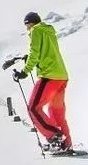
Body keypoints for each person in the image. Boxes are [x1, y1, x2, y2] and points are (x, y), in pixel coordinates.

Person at [11, 11, 74, 152]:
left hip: (49, 76)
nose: (27, 29)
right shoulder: (49, 31)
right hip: (61, 76)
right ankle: (66, 144)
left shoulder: (36, 30)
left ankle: (55, 137)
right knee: (56, 111)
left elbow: (35, 53)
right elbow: (44, 52)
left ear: (30, 23)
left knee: (33, 108)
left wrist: (25, 71)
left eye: (27, 25)